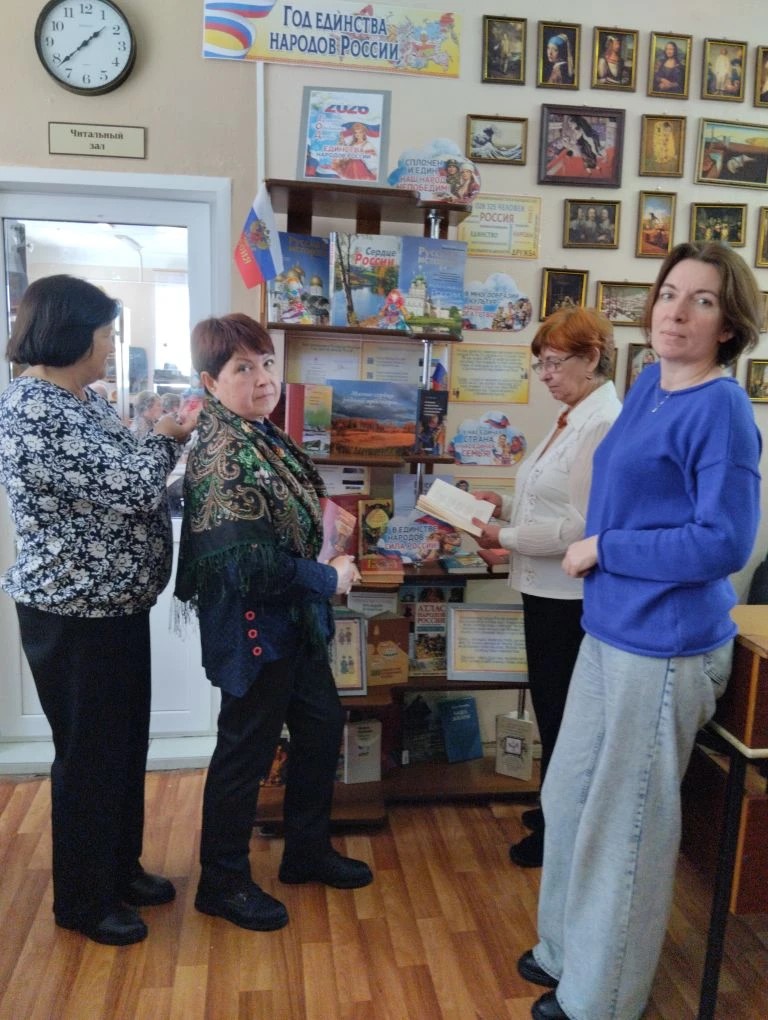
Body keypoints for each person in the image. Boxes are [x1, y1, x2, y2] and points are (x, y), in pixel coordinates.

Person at [518, 242, 762, 1020]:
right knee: (567, 797)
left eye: (702, 301)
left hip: (665, 649)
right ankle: (565, 950)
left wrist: (606, 548)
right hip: (609, 628)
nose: (676, 311)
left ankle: (602, 999)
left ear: (729, 325)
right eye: (669, 293)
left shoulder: (722, 410)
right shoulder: (651, 383)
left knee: (625, 827)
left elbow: (724, 543)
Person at [0, 274, 197, 946]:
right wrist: (166, 435)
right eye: (106, 333)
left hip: (113, 607)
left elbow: (122, 476)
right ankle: (84, 901)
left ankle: (120, 868)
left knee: (122, 745)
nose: (112, 346)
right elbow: (134, 485)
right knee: (88, 757)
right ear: (71, 334)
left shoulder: (79, 400)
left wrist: (158, 439)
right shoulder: (33, 411)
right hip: (73, 613)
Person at [175, 313, 372, 933]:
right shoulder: (224, 453)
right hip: (255, 629)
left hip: (293, 623)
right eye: (243, 368)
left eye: (266, 363)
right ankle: (222, 881)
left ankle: (306, 851)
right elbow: (250, 567)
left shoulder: (258, 432)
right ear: (210, 382)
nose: (263, 379)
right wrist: (329, 578)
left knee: (321, 726)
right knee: (246, 752)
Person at [471, 307, 621, 868]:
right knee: (552, 707)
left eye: (555, 363)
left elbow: (582, 526)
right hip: (545, 591)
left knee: (564, 717)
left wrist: (504, 535)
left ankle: (561, 831)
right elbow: (546, 498)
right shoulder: (571, 416)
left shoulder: (601, 423)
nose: (546, 375)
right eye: (541, 364)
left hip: (570, 598)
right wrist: (502, 505)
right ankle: (553, 805)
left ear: (592, 358)